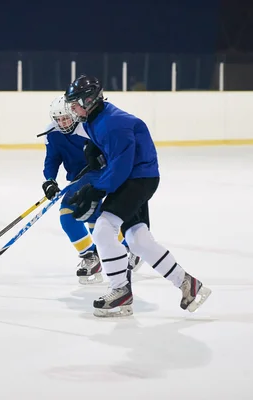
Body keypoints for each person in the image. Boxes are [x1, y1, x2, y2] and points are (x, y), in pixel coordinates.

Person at [64, 75, 211, 317]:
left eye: (75, 103)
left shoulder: (113, 124)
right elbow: (113, 157)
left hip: (137, 179)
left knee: (103, 229)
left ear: (89, 100)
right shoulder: (93, 117)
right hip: (136, 177)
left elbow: (121, 167)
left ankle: (120, 291)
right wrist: (95, 151)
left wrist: (96, 189)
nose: (72, 108)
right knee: (138, 240)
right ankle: (188, 284)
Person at [41, 95, 143, 285]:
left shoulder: (89, 127)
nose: (62, 123)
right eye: (59, 119)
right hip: (77, 180)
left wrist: (101, 159)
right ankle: (92, 256)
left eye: (66, 118)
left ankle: (126, 247)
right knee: (72, 218)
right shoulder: (53, 133)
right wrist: (50, 180)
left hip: (101, 176)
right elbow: (52, 158)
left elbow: (114, 151)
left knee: (92, 218)